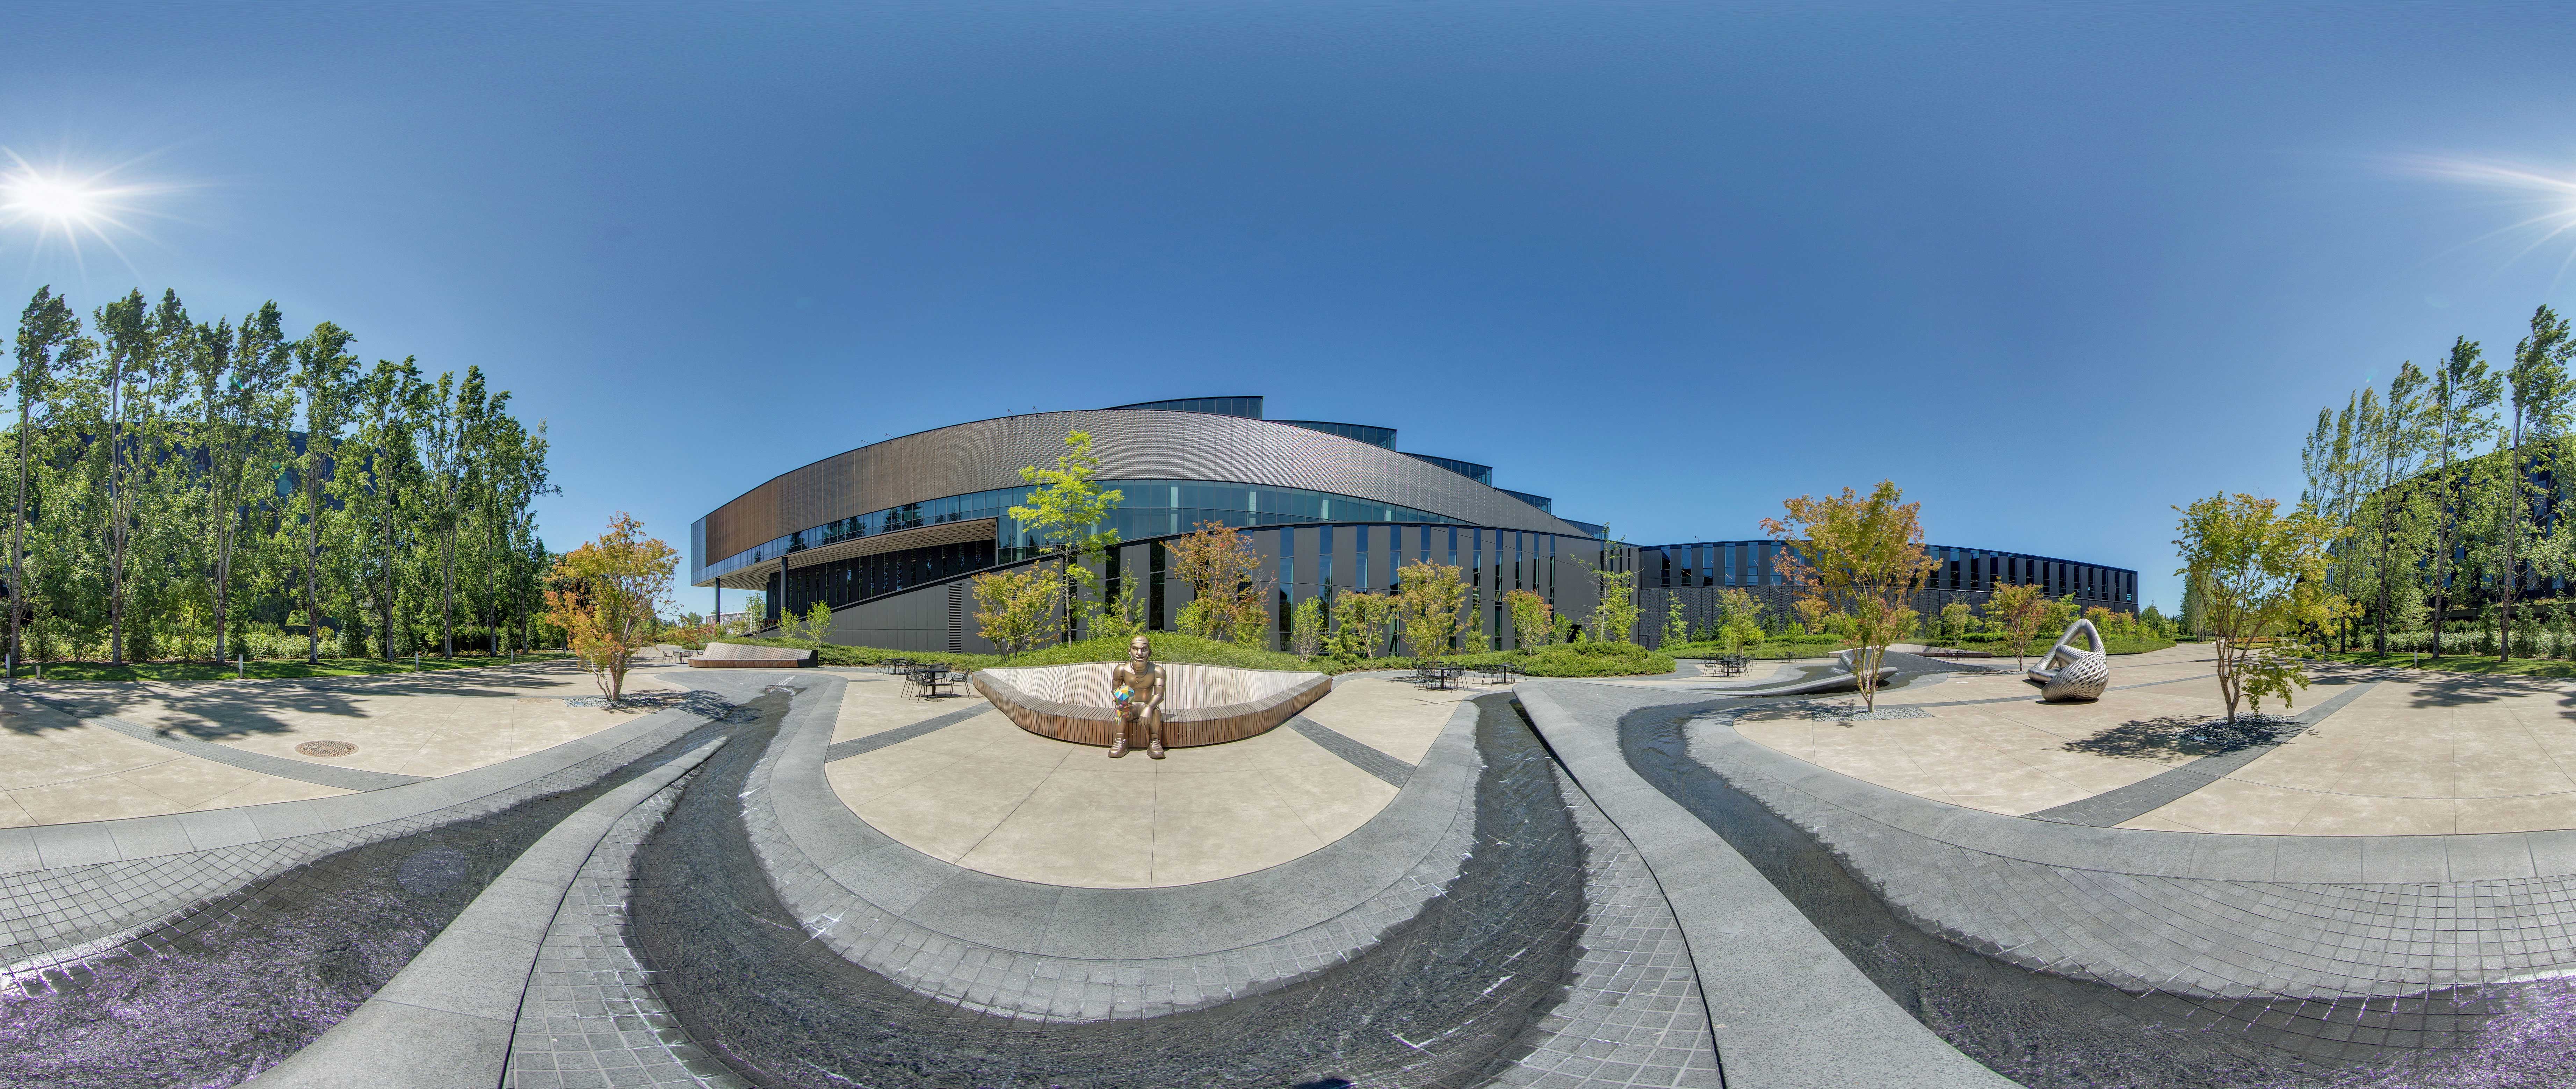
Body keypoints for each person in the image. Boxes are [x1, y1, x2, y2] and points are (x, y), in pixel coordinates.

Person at [1108, 634, 1167, 758]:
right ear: (1130, 651)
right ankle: (1120, 741)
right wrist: (1124, 704)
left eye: (1144, 649)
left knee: (1156, 712)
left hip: (1147, 706)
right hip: (1130, 707)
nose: (1140, 653)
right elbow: (1115, 690)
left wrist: (1149, 708)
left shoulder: (1157, 671)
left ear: (1149, 652)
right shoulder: (1121, 670)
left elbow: (1159, 695)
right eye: (1135, 649)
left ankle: (1155, 741)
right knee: (1120, 711)